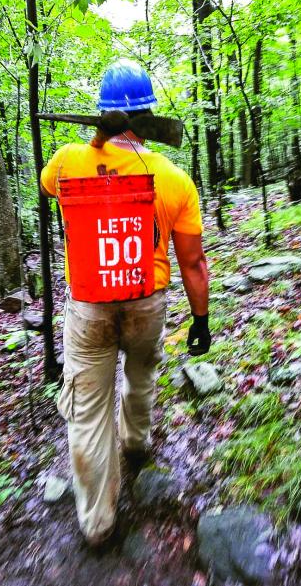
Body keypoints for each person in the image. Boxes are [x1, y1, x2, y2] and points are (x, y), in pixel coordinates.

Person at [40, 59, 210, 547]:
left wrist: (93, 146)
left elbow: (48, 185)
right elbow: (193, 263)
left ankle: (97, 522)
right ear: (149, 115)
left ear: (101, 115)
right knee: (140, 373)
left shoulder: (69, 159)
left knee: (89, 411)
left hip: (89, 308)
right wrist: (201, 318)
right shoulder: (173, 177)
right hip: (146, 303)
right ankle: (136, 443)